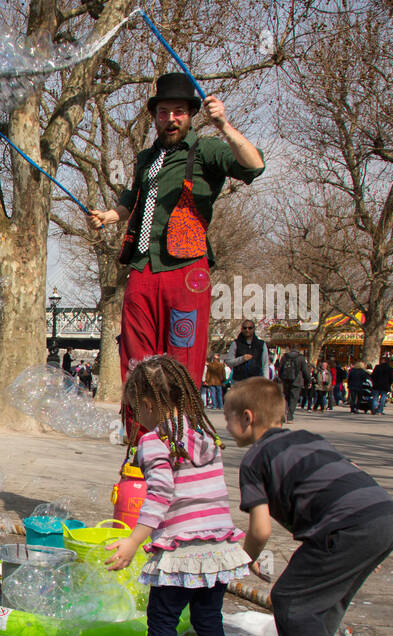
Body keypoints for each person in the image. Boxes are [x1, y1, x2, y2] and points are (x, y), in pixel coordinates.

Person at [225, 378, 393, 636]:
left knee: (291, 600)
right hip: (383, 517)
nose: (226, 425)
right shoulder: (309, 438)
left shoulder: (254, 459)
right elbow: (350, 477)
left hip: (346, 528)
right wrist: (368, 543)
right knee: (325, 602)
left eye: (229, 417)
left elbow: (260, 529)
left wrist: (244, 559)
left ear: (247, 418)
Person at [88, 73, 265, 409]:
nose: (170, 119)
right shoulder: (145, 159)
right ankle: (139, 443)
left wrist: (225, 126)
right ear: (154, 116)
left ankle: (179, 438)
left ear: (190, 115)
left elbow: (255, 166)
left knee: (182, 358)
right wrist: (110, 216)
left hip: (186, 269)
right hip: (142, 266)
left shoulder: (207, 149)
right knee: (135, 358)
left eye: (178, 112)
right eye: (163, 112)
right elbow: (132, 200)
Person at [104, 356, 248, 636]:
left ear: (149, 405)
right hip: (217, 547)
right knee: (209, 621)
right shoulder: (204, 435)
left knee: (163, 620)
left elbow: (160, 495)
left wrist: (134, 540)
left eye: (138, 409)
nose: (139, 416)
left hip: (181, 549)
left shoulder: (155, 442)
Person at [276, 346, 308, 422]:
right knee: (294, 399)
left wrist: (281, 378)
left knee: (286, 398)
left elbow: (280, 368)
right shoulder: (301, 358)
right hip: (297, 381)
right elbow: (305, 370)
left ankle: (284, 414)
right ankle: (290, 416)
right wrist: (308, 381)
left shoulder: (285, 356)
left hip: (286, 380)